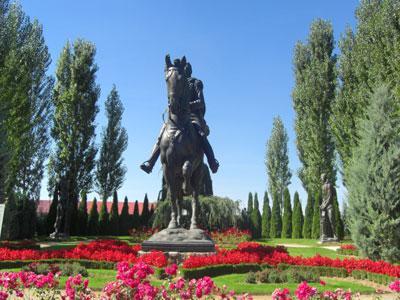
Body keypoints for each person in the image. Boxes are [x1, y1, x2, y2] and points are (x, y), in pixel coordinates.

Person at [140, 59, 219, 174]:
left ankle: (212, 161)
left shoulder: (196, 83)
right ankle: (150, 162)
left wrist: (187, 105)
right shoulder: (176, 82)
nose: (185, 70)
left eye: (187, 68)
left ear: (190, 71)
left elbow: (201, 102)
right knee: (162, 132)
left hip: (192, 116)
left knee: (200, 134)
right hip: (176, 116)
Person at [320, 173, 337, 241]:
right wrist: (322, 204)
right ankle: (324, 234)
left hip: (329, 206)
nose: (321, 179)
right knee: (323, 220)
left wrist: (325, 205)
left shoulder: (329, 185)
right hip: (324, 206)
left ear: (324, 177)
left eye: (322, 177)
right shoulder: (322, 186)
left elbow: (330, 197)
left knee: (331, 219)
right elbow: (324, 197)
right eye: (321, 177)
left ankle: (335, 235)